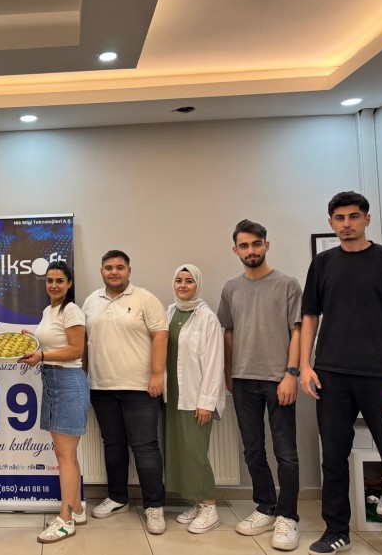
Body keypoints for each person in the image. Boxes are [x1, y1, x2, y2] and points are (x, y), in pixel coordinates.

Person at [300, 191, 382, 555]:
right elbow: (310, 316)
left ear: (367, 219)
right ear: (331, 223)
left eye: (354, 216)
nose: (347, 223)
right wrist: (305, 366)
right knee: (333, 457)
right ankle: (336, 531)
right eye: (340, 218)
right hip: (332, 375)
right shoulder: (323, 264)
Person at [217, 219, 302, 551]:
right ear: (235, 250)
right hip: (243, 380)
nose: (250, 250)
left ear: (267, 245)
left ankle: (288, 516)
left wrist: (291, 373)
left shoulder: (287, 284)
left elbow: (297, 331)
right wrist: (228, 372)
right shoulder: (230, 288)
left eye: (256, 244)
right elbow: (228, 332)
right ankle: (265, 507)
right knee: (252, 451)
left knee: (286, 453)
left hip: (279, 379)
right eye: (244, 245)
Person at [82, 249, 169, 534]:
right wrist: (83, 376)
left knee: (145, 447)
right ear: (102, 271)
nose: (114, 272)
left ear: (129, 271)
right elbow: (84, 341)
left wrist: (157, 374)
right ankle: (118, 498)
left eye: (120, 267)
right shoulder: (91, 301)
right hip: (102, 387)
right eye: (109, 267)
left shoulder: (145, 298)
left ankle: (154, 506)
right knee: (113, 445)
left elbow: (160, 335)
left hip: (140, 387)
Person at [20, 261, 89, 544]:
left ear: (69, 284)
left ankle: (65, 520)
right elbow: (52, 342)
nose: (54, 285)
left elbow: (75, 349)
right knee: (67, 454)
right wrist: (32, 340)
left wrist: (42, 356)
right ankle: (78, 510)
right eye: (49, 280)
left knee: (65, 456)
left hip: (68, 382)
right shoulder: (49, 311)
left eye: (60, 280)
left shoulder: (72, 310)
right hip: (51, 381)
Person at [164, 264, 225, 534]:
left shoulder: (207, 317)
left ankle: (210, 507)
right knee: (180, 452)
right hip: (172, 395)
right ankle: (197, 503)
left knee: (195, 453)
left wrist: (206, 402)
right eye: (179, 280)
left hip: (196, 397)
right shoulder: (169, 312)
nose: (183, 285)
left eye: (189, 281)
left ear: (197, 285)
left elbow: (214, 363)